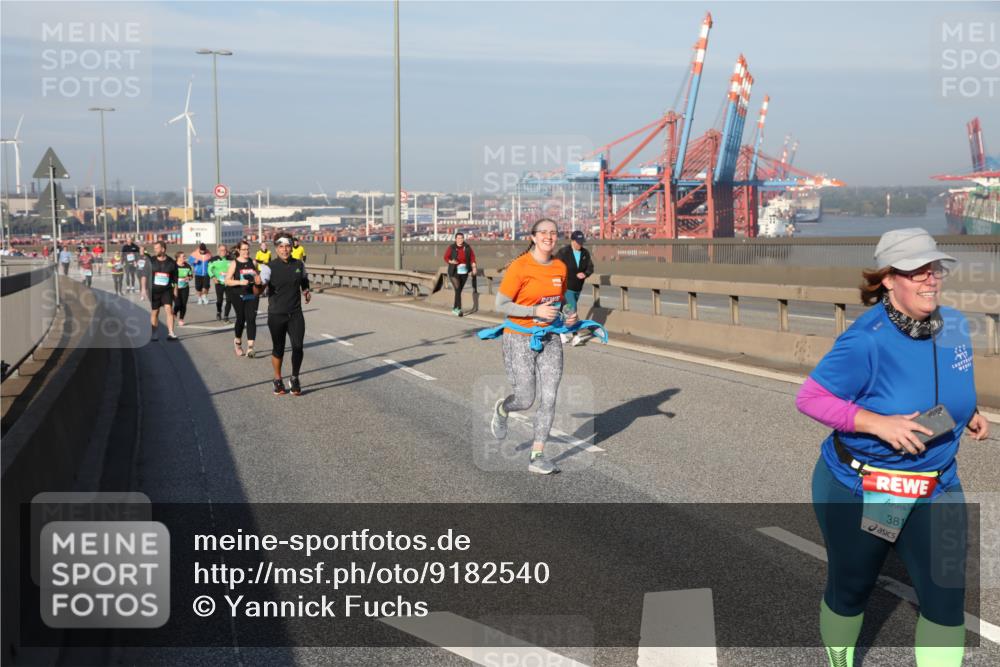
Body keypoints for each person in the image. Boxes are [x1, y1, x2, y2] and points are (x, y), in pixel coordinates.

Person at [795, 228, 989, 667]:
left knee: (945, 599)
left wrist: (967, 410)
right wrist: (875, 422)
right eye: (916, 271)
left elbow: (948, 382)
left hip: (937, 487)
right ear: (887, 279)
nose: (930, 279)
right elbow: (810, 398)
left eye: (934, 268)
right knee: (852, 587)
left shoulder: (955, 324)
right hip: (867, 489)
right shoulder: (867, 339)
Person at [487, 219, 576, 475]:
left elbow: (561, 299)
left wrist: (570, 313)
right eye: (543, 233)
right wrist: (534, 310)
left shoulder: (559, 266)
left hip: (550, 338)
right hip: (519, 337)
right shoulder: (520, 266)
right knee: (526, 399)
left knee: (549, 398)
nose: (549, 236)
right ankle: (503, 408)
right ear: (534, 237)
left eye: (553, 233)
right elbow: (501, 304)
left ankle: (537, 455)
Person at [260, 235, 311, 395]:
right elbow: (261, 285)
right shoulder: (269, 267)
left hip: (295, 313)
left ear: (291, 247)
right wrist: (258, 283)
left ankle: (294, 377)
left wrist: (306, 290)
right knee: (278, 349)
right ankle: (277, 379)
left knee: (298, 347)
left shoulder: (299, 264)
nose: (284, 250)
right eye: (281, 247)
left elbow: (304, 279)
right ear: (276, 248)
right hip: (276, 314)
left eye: (287, 246)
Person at [555, 230, 595, 346]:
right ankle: (575, 335)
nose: (580, 244)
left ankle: (560, 332)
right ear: (572, 241)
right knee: (572, 310)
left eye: (581, 242)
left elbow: (590, 268)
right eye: (578, 242)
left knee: (566, 309)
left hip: (578, 287)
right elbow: (555, 266)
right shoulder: (564, 252)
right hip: (566, 287)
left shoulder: (585, 253)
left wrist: (585, 274)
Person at [224, 240, 262, 358]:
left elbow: (258, 279)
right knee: (241, 319)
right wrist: (240, 281)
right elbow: (227, 281)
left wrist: (257, 278)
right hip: (237, 295)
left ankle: (250, 348)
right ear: (238, 251)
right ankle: (238, 342)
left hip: (251, 295)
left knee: (251, 319)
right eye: (244, 249)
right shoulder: (234, 264)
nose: (246, 251)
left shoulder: (253, 262)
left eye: (247, 249)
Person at [147, 241, 179, 341]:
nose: (155, 250)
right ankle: (154, 333)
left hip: (167, 290)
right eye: (154, 248)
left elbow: (175, 278)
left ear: (163, 249)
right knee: (155, 312)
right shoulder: (151, 261)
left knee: (169, 310)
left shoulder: (171, 262)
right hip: (154, 290)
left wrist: (175, 290)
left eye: (157, 248)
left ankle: (171, 332)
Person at [444, 232, 477, 316]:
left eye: (461, 238)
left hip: (464, 271)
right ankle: (459, 309)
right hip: (454, 271)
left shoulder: (467, 247)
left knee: (458, 291)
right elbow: (446, 257)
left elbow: (472, 257)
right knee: (458, 289)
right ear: (455, 239)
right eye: (458, 238)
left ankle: (454, 309)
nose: (460, 240)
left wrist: (474, 267)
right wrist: (451, 261)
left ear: (463, 239)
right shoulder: (452, 247)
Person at [208, 244, 233, 322]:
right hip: (219, 282)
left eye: (225, 250)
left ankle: (226, 316)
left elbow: (235, 269)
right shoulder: (213, 259)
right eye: (221, 250)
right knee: (220, 300)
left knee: (229, 300)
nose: (223, 252)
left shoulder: (231, 259)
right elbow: (209, 269)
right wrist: (213, 277)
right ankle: (219, 312)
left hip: (229, 282)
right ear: (218, 251)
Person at [174, 252, 193, 326]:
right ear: (178, 258)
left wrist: (188, 277)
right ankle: (174, 313)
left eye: (185, 256)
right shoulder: (174, 265)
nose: (185, 257)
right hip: (175, 288)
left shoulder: (187, 266)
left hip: (185, 287)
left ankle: (181, 319)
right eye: (183, 256)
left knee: (184, 304)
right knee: (178, 304)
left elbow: (191, 276)